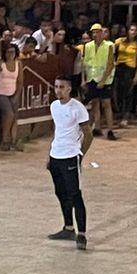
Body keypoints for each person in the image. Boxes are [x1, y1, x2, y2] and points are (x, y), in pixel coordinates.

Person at [46, 75, 92, 251]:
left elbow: (88, 134)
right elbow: (57, 130)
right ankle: (68, 227)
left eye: (61, 87)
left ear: (69, 89)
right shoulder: (54, 106)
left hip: (70, 156)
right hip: (56, 155)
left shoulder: (77, 108)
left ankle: (81, 234)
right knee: (61, 192)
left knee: (75, 194)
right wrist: (49, 156)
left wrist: (80, 154)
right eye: (56, 86)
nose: (58, 90)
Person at [79, 24, 117, 140]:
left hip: (105, 79)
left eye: (97, 32)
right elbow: (84, 63)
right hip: (92, 77)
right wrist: (83, 79)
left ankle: (110, 129)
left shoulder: (109, 45)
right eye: (93, 32)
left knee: (106, 104)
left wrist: (104, 80)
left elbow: (110, 64)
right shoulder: (88, 46)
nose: (95, 34)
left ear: (102, 32)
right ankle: (97, 127)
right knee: (95, 103)